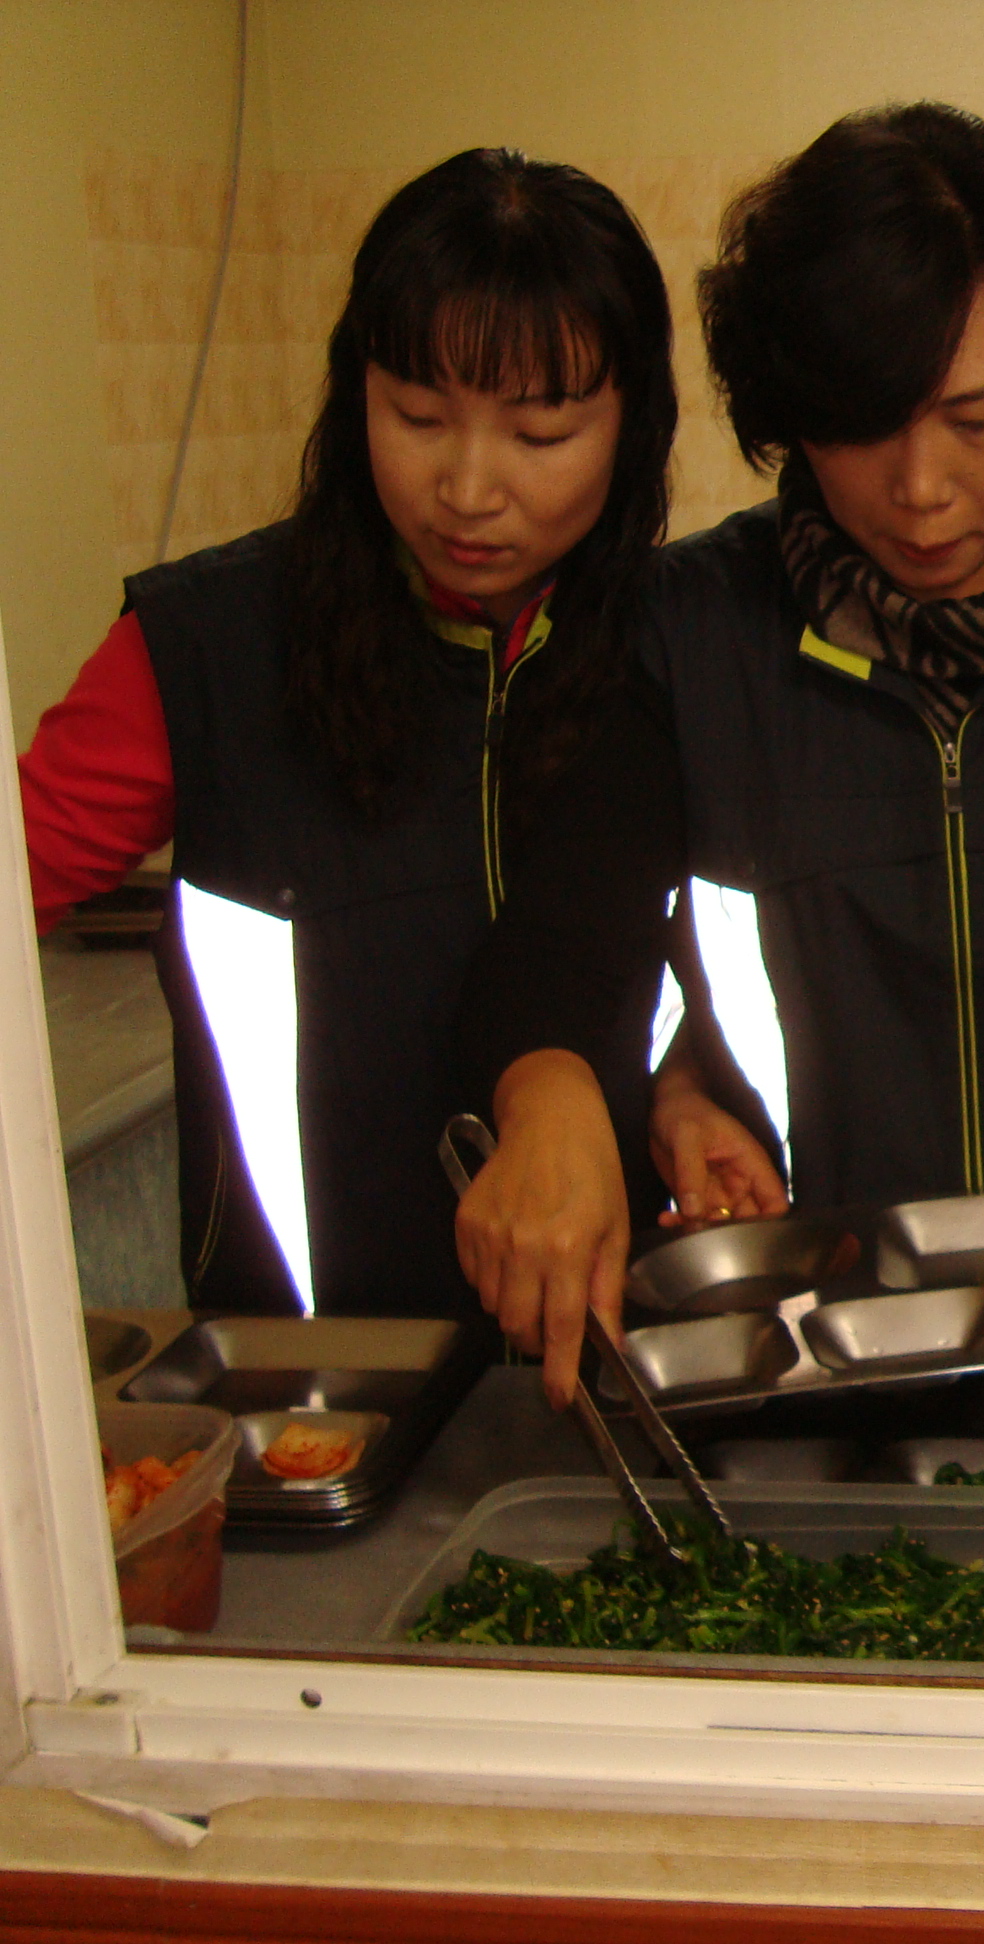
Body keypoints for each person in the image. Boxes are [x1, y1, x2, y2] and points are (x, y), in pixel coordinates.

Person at [455, 105, 984, 1402]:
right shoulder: (685, 634)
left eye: (976, 417)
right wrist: (579, 1095)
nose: (920, 487)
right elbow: (571, 945)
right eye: (862, 424)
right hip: (808, 1353)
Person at [17, 149, 679, 1331]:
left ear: (630, 429)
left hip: (635, 1342)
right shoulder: (202, 650)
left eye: (539, 435)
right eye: (417, 417)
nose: (467, 488)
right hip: (318, 1364)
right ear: (353, 394)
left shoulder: (681, 643)